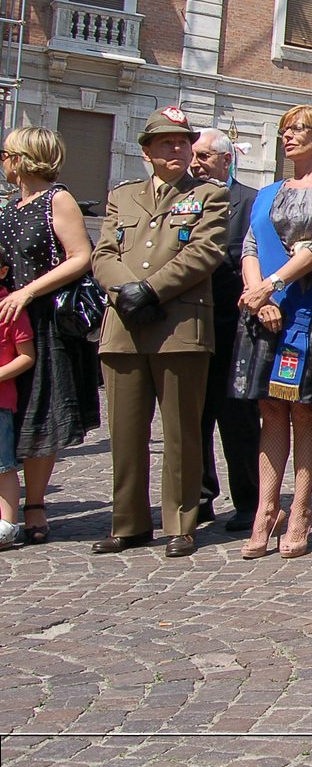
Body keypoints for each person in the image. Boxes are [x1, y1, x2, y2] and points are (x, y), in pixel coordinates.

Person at [90, 107, 230, 557]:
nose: (177, 149)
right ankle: (128, 521)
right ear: (147, 150)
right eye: (166, 142)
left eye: (183, 141)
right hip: (125, 327)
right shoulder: (123, 196)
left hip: (178, 327)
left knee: (182, 432)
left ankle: (181, 522)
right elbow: (103, 253)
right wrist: (125, 291)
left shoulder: (209, 195)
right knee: (126, 432)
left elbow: (205, 252)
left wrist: (151, 289)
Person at [231, 106, 312, 559]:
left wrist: (273, 289)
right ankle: (265, 507)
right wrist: (257, 294)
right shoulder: (267, 192)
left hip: (308, 311)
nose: (289, 136)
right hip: (262, 311)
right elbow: (251, 245)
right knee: (269, 410)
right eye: (285, 130)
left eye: (299, 129)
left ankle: (300, 509)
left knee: (303, 412)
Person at [0, 126, 99, 545]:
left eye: (6, 154)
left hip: (46, 321)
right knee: (10, 411)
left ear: (21, 159)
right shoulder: (9, 207)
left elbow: (80, 257)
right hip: (10, 319)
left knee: (41, 413)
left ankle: (35, 503)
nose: (3, 161)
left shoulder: (57, 200)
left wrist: (29, 290)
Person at [189, 128, 260, 532]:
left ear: (226, 160)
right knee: (193, 415)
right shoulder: (187, 198)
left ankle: (249, 501)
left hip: (234, 327)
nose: (195, 163)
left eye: (202, 156)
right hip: (191, 325)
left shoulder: (249, 202)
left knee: (238, 419)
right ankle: (199, 497)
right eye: (193, 156)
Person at [0, 268, 35, 548]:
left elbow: (26, 356)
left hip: (0, 402)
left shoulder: (10, 309)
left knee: (2, 467)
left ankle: (8, 525)